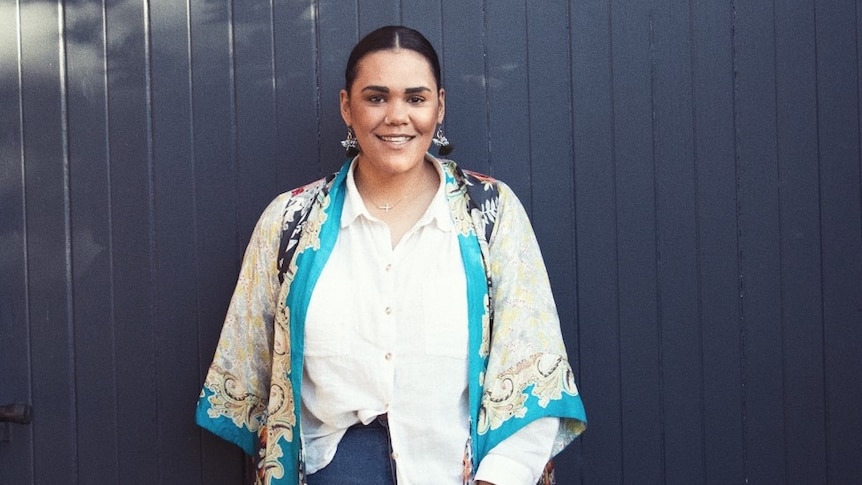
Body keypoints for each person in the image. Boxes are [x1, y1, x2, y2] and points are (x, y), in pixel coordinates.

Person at [196, 25, 586, 485]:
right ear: (347, 107)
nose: (397, 116)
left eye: (416, 99)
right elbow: (250, 377)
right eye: (376, 97)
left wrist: (500, 477)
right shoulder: (290, 221)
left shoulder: (492, 213)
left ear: (439, 106)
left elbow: (533, 372)